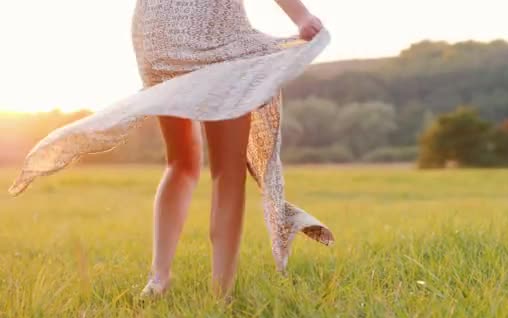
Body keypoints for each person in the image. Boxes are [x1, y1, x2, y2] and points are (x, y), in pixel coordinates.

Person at [9, 0, 334, 298]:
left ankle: (159, 278)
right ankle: (221, 292)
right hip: (212, 26)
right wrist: (301, 16)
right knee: (228, 169)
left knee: (181, 162)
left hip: (159, 29)